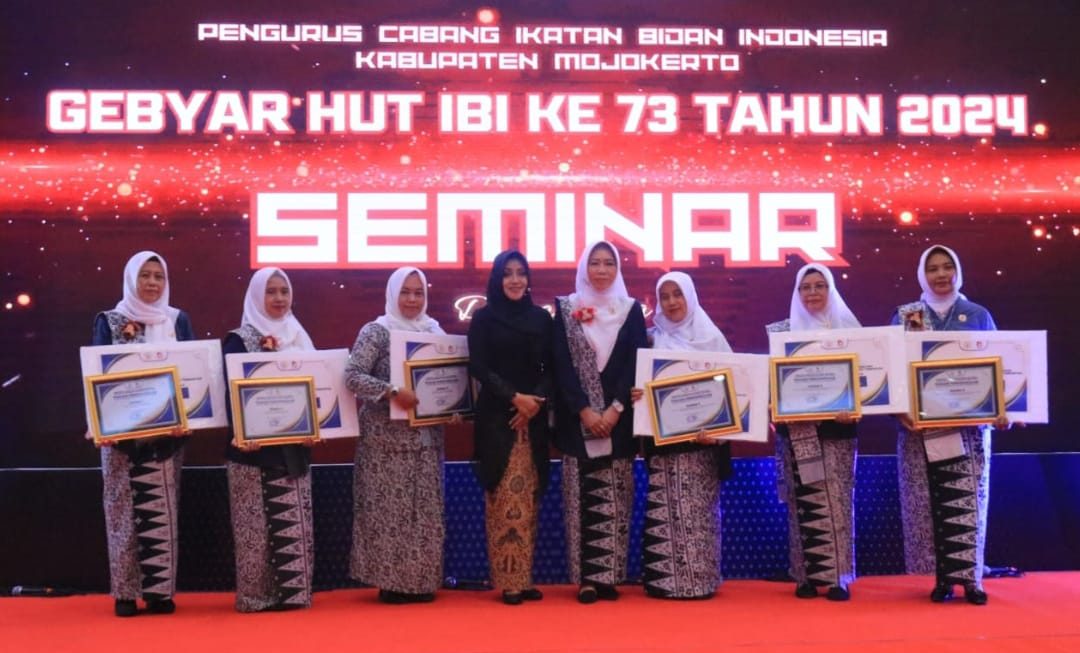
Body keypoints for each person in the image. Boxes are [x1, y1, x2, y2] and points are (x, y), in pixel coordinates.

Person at [893, 244, 1002, 605]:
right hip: (920, 430)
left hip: (969, 429)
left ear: (957, 271)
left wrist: (1006, 409)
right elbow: (893, 370)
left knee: (969, 500)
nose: (941, 275)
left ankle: (972, 580)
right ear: (922, 275)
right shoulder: (907, 316)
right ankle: (942, 580)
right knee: (930, 503)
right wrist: (899, 412)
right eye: (933, 268)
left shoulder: (978, 314)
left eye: (947, 267)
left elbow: (1002, 366)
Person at [91, 251, 194, 617]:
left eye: (158, 276)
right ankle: (125, 593)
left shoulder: (177, 320)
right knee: (123, 513)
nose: (152, 282)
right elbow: (97, 374)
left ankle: (159, 593)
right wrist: (99, 423)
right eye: (145, 275)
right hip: (121, 437)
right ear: (131, 279)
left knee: (162, 511)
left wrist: (192, 415)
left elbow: (195, 372)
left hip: (167, 434)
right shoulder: (110, 320)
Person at [552, 240, 648, 604]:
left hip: (618, 421)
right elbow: (560, 365)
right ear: (584, 268)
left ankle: (610, 576)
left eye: (609, 263)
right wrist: (585, 410)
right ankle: (586, 579)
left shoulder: (630, 310)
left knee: (616, 498)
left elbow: (636, 361)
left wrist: (614, 409)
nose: (602, 270)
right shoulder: (566, 309)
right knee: (582, 499)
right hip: (577, 422)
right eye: (595, 263)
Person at [345, 267, 447, 604]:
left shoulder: (435, 332)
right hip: (384, 444)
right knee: (388, 514)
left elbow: (449, 379)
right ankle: (390, 583)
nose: (412, 299)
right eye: (405, 292)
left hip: (425, 441)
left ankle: (421, 582)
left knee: (424, 514)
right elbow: (352, 376)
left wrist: (455, 406)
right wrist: (391, 391)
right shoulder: (376, 331)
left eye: (418, 292)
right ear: (392, 294)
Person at [222, 268, 316, 612]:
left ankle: (294, 595)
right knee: (254, 529)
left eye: (284, 291)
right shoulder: (239, 339)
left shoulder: (298, 335)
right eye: (271, 291)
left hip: (292, 450)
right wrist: (240, 432)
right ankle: (256, 597)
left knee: (295, 526)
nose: (279, 298)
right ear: (256, 296)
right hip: (251, 452)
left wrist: (317, 426)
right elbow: (229, 394)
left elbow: (318, 389)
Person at [766, 263, 861, 601]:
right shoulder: (783, 334)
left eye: (820, 285)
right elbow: (772, 383)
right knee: (802, 502)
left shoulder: (851, 332)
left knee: (836, 502)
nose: (812, 293)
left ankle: (838, 578)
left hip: (838, 429)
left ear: (830, 289)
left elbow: (868, 382)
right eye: (805, 287)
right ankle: (804, 576)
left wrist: (856, 406)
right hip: (798, 432)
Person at [467, 250, 553, 605]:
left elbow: (553, 368)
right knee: (504, 498)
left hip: (533, 420)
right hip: (498, 421)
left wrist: (534, 403)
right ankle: (509, 581)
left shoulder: (541, 319)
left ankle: (523, 576)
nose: (515, 280)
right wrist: (515, 398)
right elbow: (479, 367)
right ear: (497, 278)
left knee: (529, 497)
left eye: (521, 273)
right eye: (507, 273)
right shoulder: (484, 318)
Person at [641, 272, 733, 600]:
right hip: (665, 446)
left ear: (690, 296)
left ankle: (700, 581)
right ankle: (664, 583)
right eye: (664, 296)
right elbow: (642, 388)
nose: (671, 302)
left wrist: (718, 433)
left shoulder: (712, 339)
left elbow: (736, 395)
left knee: (698, 513)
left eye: (677, 294)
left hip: (703, 444)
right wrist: (637, 395)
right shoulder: (651, 341)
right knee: (666, 510)